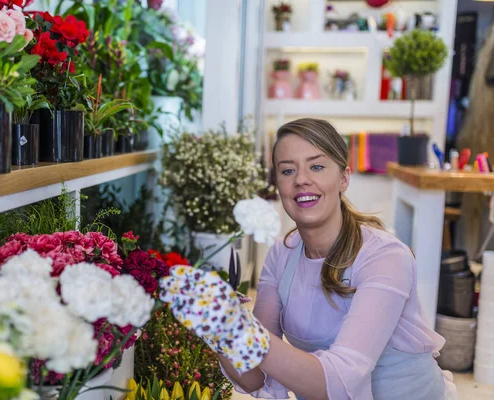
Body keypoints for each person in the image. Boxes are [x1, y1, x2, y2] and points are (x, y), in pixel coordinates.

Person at [160, 118, 460, 400]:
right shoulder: (282, 254)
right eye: (287, 170)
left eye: (316, 167)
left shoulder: (385, 257)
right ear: (277, 183)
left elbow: (342, 379)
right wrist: (220, 329)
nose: (301, 180)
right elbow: (254, 377)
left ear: (344, 178)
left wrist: (242, 330)